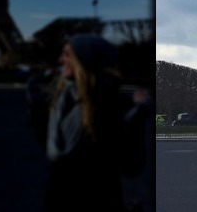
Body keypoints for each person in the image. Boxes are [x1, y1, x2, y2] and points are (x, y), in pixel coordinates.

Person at [42, 34, 149, 211]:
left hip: (97, 201)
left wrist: (136, 119)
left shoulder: (113, 103)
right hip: (59, 200)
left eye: (67, 55)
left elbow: (131, 165)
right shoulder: (60, 98)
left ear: (84, 60)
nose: (60, 60)